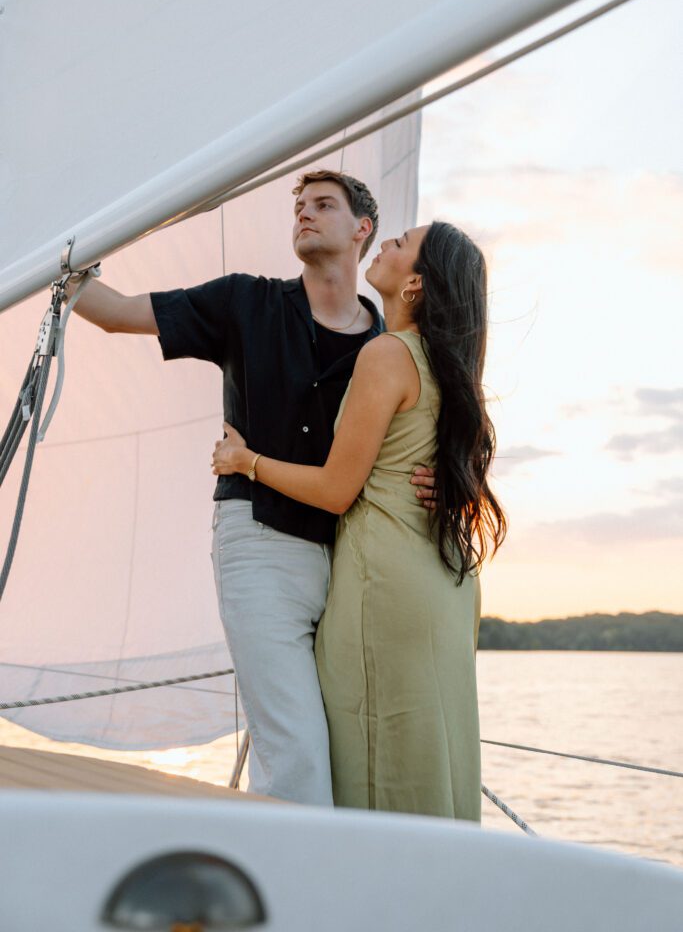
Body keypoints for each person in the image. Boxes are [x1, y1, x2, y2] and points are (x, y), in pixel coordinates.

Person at [65, 169, 435, 806]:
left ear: (362, 229)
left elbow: (419, 439)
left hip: (351, 560)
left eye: (323, 205)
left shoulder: (387, 344)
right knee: (295, 753)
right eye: (299, 206)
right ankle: (292, 895)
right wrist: (64, 261)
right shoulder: (245, 302)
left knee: (344, 747)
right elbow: (116, 315)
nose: (305, 215)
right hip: (259, 545)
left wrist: (436, 484)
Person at [212, 220, 507, 819]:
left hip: (384, 582)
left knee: (373, 760)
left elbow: (335, 490)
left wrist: (246, 461)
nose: (385, 247)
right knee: (430, 751)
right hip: (444, 582)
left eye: (400, 244)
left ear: (416, 285)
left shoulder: (387, 354)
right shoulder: (450, 369)